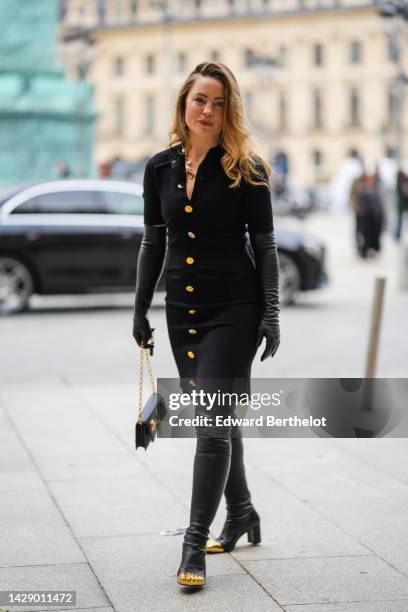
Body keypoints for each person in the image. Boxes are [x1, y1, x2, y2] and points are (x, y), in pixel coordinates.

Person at [132, 62, 280, 589]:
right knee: (220, 418)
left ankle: (194, 543)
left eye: (218, 103)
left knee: (210, 426)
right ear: (184, 103)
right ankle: (241, 511)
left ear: (229, 110)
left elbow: (264, 246)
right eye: (200, 100)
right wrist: (140, 307)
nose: (208, 111)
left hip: (236, 309)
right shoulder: (159, 168)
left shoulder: (248, 169)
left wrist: (272, 312)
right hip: (184, 315)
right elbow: (154, 240)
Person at [395, 167, 408, 242]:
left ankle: (398, 235)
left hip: (403, 204)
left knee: (400, 221)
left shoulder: (402, 181)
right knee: (399, 221)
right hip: (402, 204)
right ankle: (397, 236)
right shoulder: (399, 183)